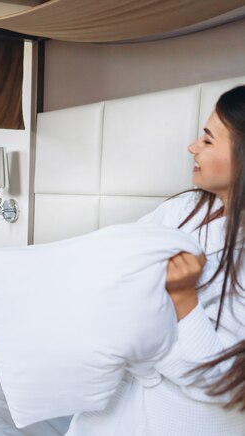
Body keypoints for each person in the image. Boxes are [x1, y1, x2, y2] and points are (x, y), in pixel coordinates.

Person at [68, 86, 245, 434]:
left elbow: (217, 380)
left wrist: (183, 299)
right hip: (117, 405)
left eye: (208, 141)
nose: (192, 147)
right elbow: (112, 269)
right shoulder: (185, 208)